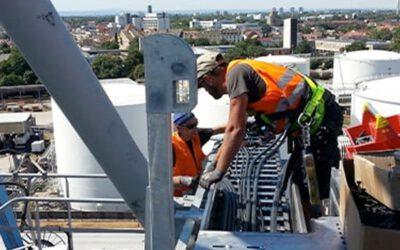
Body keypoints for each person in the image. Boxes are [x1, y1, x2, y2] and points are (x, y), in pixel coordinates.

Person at [196, 52, 343, 203]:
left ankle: (319, 222)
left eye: (203, 85)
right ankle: (314, 218)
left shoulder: (236, 74)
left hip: (321, 119)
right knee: (295, 186)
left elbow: (235, 130)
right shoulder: (240, 73)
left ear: (208, 78)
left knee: (309, 192)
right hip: (315, 121)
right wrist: (213, 165)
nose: (206, 90)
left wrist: (219, 172)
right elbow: (233, 130)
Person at [172, 112, 225, 197]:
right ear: (179, 128)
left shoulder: (196, 135)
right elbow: (162, 181)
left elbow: (219, 129)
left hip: (198, 189)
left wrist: (242, 124)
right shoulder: (171, 147)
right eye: (191, 127)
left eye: (196, 124)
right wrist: (183, 180)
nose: (195, 129)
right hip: (180, 198)